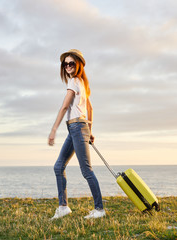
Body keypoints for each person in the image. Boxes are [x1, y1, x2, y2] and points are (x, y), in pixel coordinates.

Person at [48, 49, 105, 219]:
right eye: (65, 64)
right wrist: (90, 130)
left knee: (86, 170)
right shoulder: (83, 83)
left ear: (78, 64)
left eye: (71, 63)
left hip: (77, 128)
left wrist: (53, 130)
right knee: (58, 166)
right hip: (77, 128)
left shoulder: (74, 82)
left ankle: (99, 209)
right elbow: (90, 108)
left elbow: (64, 107)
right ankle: (63, 207)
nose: (67, 66)